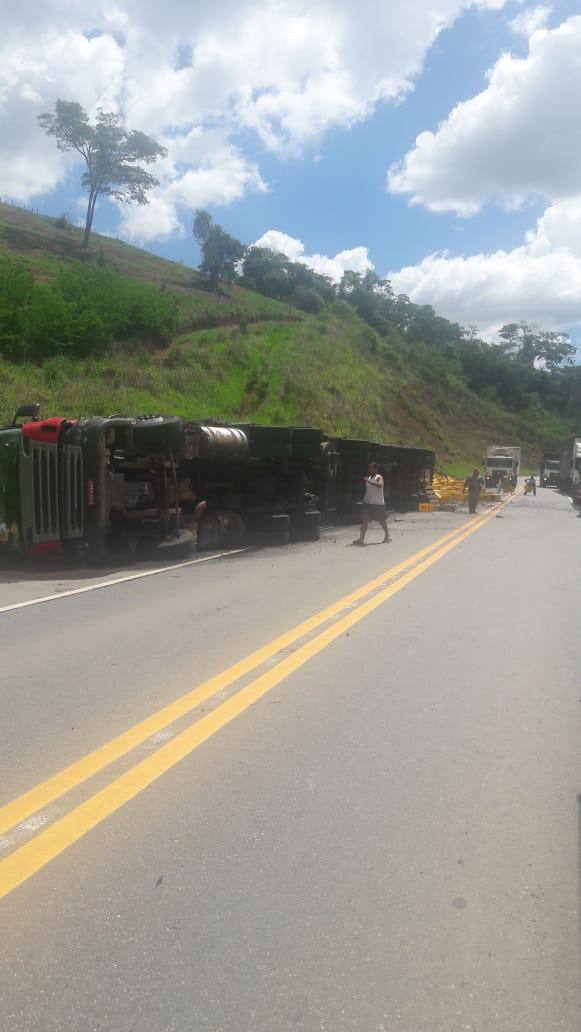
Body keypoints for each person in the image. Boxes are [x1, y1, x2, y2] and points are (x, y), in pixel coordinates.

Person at [353, 462, 390, 545]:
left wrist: (369, 481)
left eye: (371, 468)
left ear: (375, 469)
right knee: (364, 521)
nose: (369, 469)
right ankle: (361, 539)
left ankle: (387, 536)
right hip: (368, 503)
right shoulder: (370, 477)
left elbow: (380, 485)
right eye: (369, 468)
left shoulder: (378, 477)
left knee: (382, 521)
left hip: (378, 503)